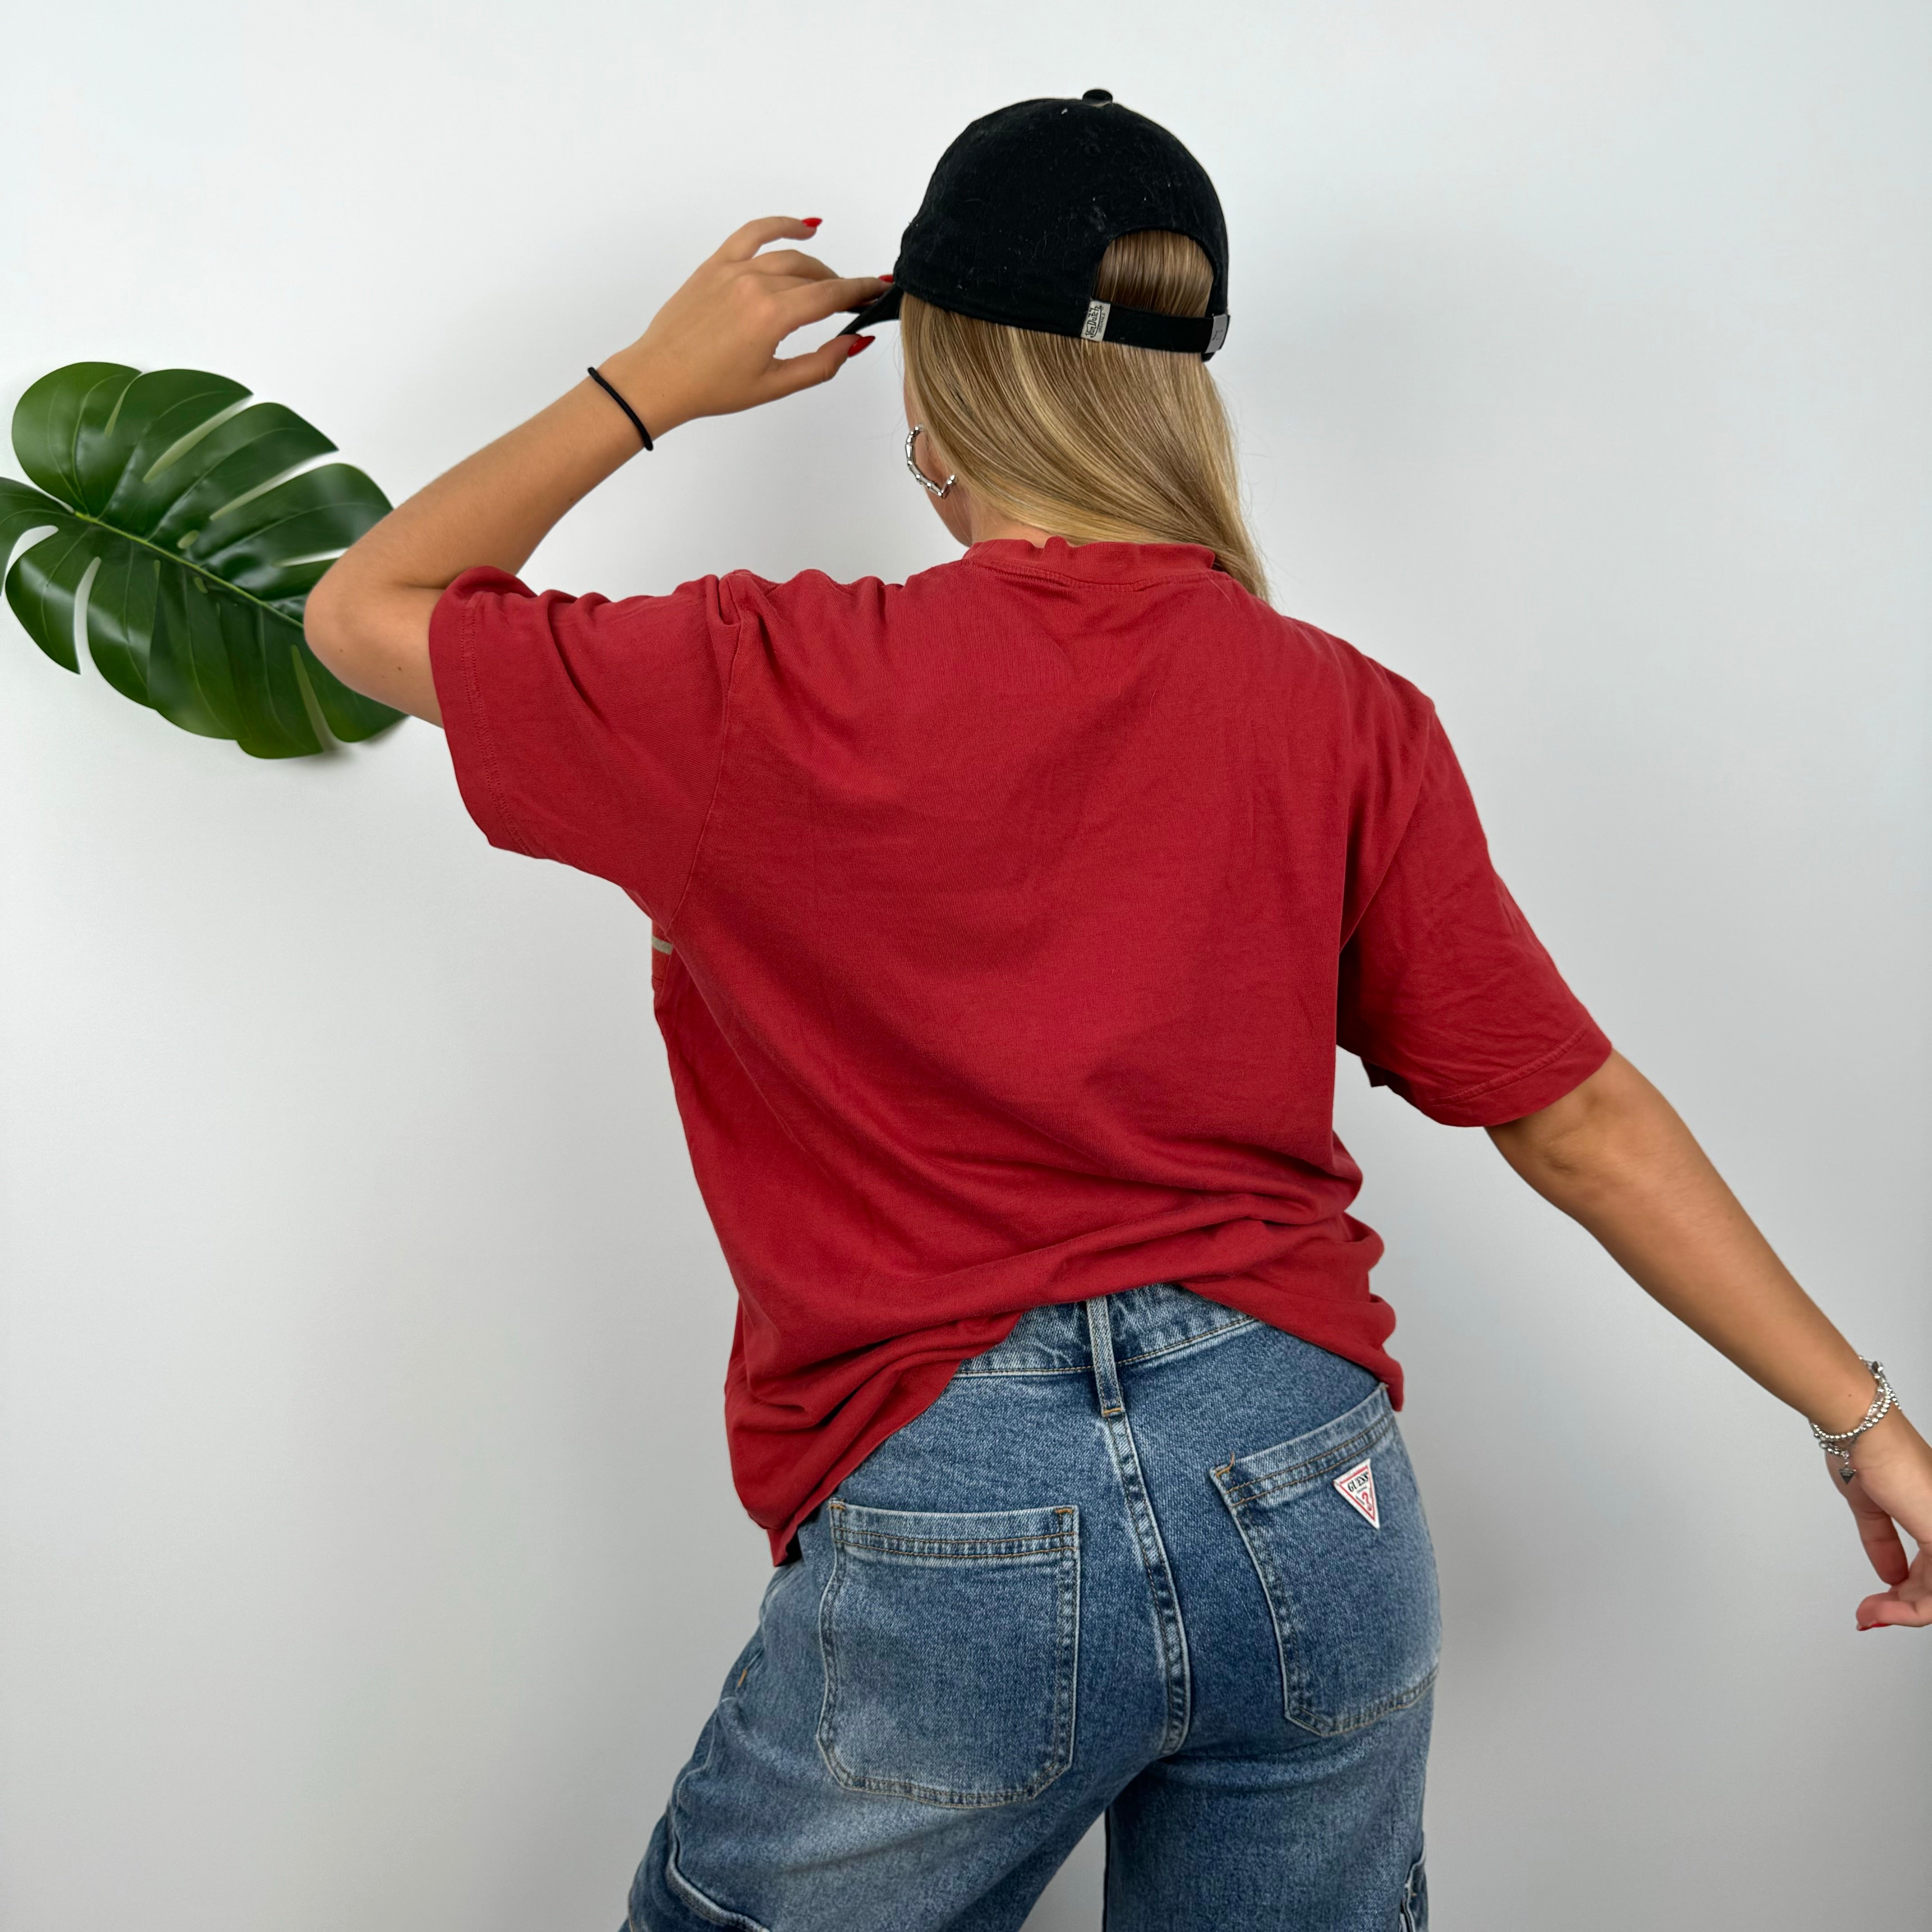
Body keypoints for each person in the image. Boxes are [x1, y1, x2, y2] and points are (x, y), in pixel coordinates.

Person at [304, 90, 1929, 1932]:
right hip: (1312, 1483)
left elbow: (367, 608)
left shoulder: (753, 682)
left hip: (959, 1511)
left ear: (937, 393)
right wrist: (1861, 1422)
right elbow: (1578, 1117)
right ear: (1181, 395)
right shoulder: (1340, 713)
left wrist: (650, 382)